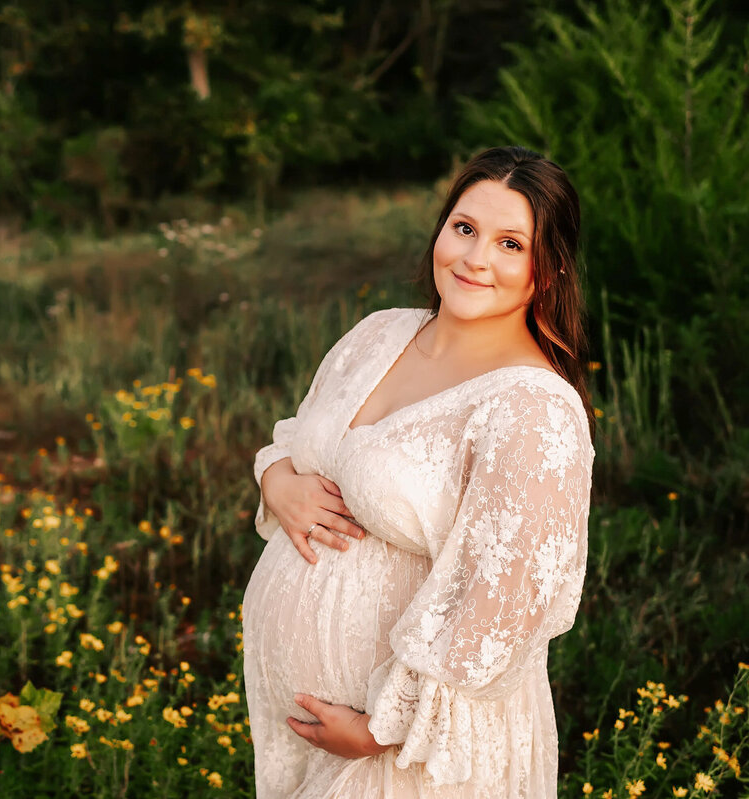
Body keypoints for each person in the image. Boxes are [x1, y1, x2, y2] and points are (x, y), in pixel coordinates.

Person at [242, 145, 595, 798]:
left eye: (510, 243)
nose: (474, 258)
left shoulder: (532, 408)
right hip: (308, 739)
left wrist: (384, 727)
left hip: (418, 756)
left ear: (547, 271)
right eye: (464, 228)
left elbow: (504, 605)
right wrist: (276, 480)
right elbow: (298, 437)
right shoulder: (380, 332)